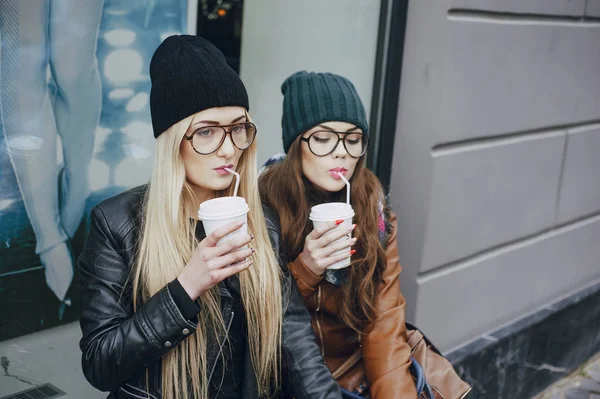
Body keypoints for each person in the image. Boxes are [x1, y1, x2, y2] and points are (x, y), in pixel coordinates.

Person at [78, 37, 341, 399]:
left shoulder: (260, 220)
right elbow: (99, 363)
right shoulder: (118, 223)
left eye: (237, 128)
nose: (230, 148)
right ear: (174, 141)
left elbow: (292, 335)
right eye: (206, 132)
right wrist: (186, 287)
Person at [259, 71, 418, 398]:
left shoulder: (375, 213)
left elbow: (384, 327)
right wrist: (305, 270)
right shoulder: (263, 207)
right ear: (296, 144)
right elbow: (257, 322)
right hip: (279, 378)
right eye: (323, 138)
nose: (341, 152)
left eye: (353, 138)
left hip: (352, 373)